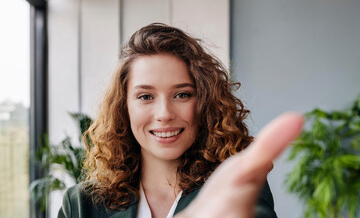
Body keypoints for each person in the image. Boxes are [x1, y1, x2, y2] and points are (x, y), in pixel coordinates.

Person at [57, 23, 304, 218]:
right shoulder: (81, 204)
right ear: (124, 107)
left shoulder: (233, 190)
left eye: (182, 94)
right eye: (145, 96)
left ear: (204, 103)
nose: (164, 113)